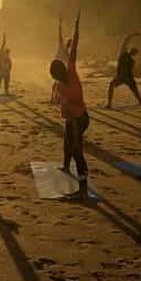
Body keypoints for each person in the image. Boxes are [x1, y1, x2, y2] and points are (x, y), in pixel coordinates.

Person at [49, 10, 90, 199]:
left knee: (76, 150)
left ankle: (83, 188)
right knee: (67, 144)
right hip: (72, 117)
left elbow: (74, 47)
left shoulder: (71, 71)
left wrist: (77, 26)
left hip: (79, 118)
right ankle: (66, 166)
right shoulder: (60, 84)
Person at [106, 32, 141, 108]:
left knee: (112, 86)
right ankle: (140, 101)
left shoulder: (126, 56)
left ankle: (109, 103)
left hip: (123, 76)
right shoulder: (127, 57)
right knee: (134, 89)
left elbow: (124, 42)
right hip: (126, 77)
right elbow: (125, 42)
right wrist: (131, 35)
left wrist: (131, 36)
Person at [50, 17, 71, 104]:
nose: (69, 44)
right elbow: (59, 35)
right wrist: (60, 23)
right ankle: (53, 97)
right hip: (56, 65)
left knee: (59, 82)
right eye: (69, 43)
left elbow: (69, 61)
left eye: (70, 43)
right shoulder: (61, 45)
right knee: (56, 82)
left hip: (61, 67)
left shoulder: (67, 52)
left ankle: (57, 97)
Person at [0, 33, 12, 100]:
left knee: (6, 83)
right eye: (6, 53)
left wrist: (8, 72)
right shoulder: (1, 57)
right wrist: (4, 40)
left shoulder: (9, 59)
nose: (7, 54)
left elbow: (10, 67)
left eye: (8, 53)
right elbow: (2, 47)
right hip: (1, 71)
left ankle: (6, 92)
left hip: (6, 72)